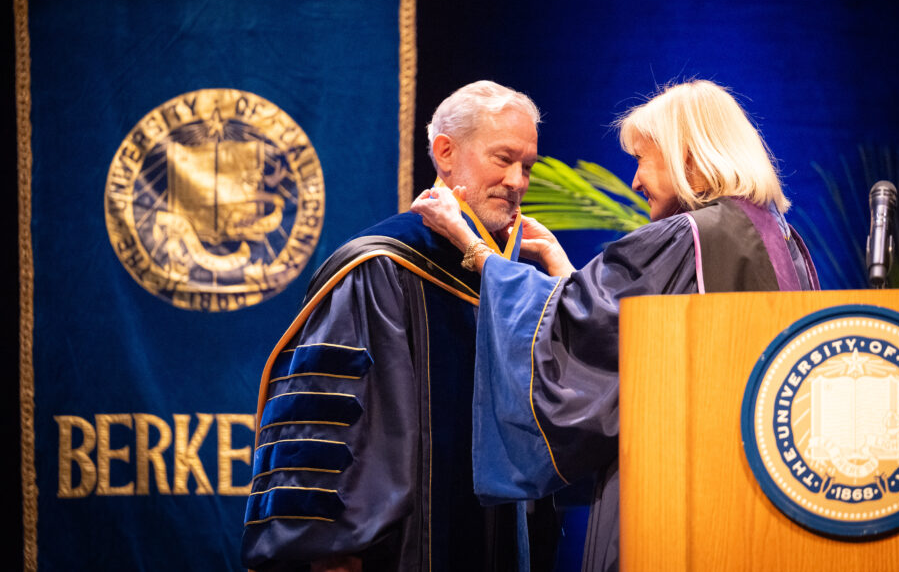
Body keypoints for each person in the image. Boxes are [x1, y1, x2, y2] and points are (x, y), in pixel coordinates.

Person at [411, 79, 819, 572]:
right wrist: (562, 265)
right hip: (764, 493)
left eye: (643, 160)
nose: (635, 182)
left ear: (686, 158)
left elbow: (577, 329)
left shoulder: (685, 237)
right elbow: (628, 328)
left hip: (678, 496)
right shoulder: (778, 235)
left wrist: (475, 249)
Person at [241, 80, 544, 572]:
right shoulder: (380, 266)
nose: (517, 181)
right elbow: (328, 421)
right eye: (503, 158)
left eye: (526, 166)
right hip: (399, 550)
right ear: (445, 152)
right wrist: (330, 548)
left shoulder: (511, 278)